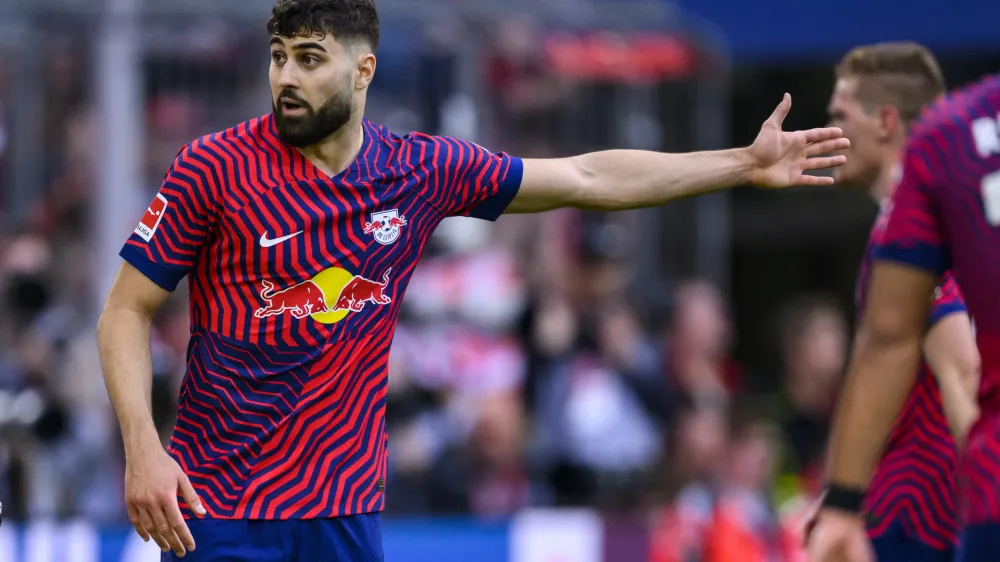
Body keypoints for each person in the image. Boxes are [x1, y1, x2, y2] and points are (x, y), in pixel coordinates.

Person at [95, 0, 848, 560]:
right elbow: (124, 313)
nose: (286, 76)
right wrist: (142, 448)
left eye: (309, 58)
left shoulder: (418, 171)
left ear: (362, 70)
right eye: (278, 55)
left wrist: (742, 164)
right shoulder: (215, 167)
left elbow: (586, 176)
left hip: (344, 511)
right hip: (220, 505)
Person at [806, 72, 1000, 562]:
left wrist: (843, 502)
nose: (828, 133)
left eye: (841, 118)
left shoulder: (931, 210)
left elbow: (952, 368)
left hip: (923, 516)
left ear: (887, 123)